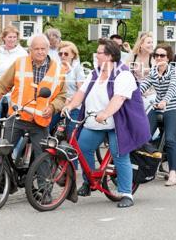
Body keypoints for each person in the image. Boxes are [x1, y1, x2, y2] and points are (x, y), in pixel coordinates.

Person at [62, 38, 150, 208]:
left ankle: (126, 193)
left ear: (110, 56)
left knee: (119, 154)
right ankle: (90, 181)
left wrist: (105, 113)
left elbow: (118, 99)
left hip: (118, 122)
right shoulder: (95, 73)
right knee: (82, 147)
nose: (96, 55)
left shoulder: (123, 74)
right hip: (95, 121)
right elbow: (81, 92)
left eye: (99, 53)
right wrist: (70, 105)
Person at [0, 34, 66, 198]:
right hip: (18, 116)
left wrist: (53, 107)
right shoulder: (20, 64)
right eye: (36, 49)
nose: (40, 52)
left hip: (40, 119)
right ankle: (1, 185)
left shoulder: (58, 69)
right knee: (2, 151)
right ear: (30, 50)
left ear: (48, 49)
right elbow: (1, 85)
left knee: (42, 155)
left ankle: (44, 190)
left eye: (43, 49)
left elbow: (62, 96)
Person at [140, 44, 176, 187]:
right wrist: (130, 95)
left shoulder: (173, 71)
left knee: (170, 140)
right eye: (156, 55)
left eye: (162, 55)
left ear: (168, 57)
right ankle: (145, 168)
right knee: (143, 136)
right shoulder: (153, 71)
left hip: (173, 108)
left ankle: (172, 172)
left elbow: (172, 88)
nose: (159, 58)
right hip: (157, 107)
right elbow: (144, 85)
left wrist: (165, 101)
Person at [48, 40, 86, 139]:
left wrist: (69, 101)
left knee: (71, 134)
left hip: (74, 104)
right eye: (60, 54)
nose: (63, 56)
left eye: (66, 53)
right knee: (44, 127)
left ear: (73, 55)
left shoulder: (77, 69)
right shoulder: (56, 68)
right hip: (59, 103)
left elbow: (81, 89)